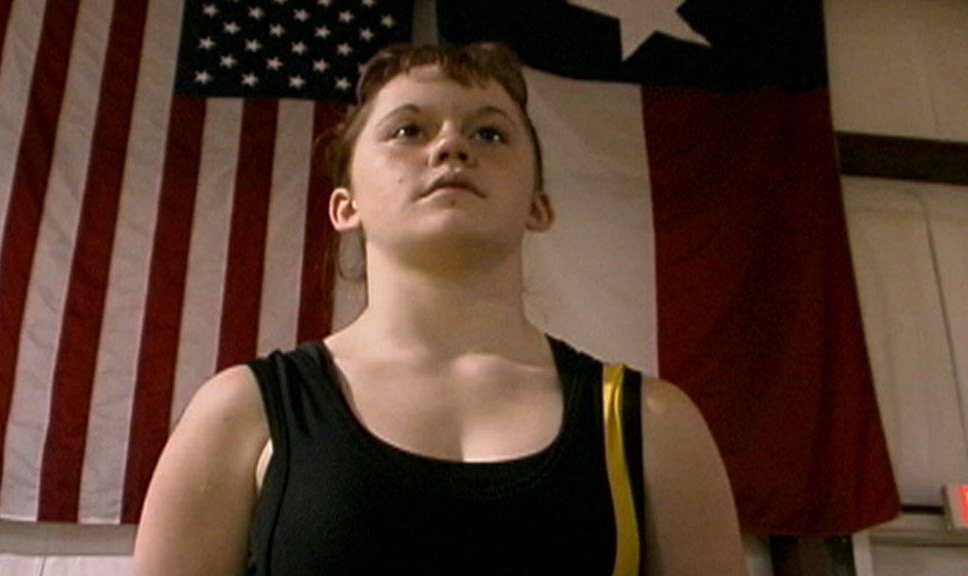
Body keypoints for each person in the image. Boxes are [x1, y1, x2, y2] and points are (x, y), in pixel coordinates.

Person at [132, 43, 745, 575]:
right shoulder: (241, 412)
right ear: (345, 205)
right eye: (408, 130)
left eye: (489, 133)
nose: (452, 144)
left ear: (538, 205)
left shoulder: (654, 424)